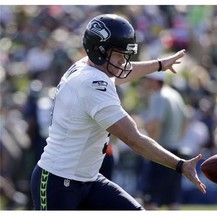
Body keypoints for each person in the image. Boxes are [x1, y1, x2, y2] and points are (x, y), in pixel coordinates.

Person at [30, 13, 206, 210]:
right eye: (119, 55)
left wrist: (159, 65)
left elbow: (123, 71)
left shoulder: (87, 67)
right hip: (58, 181)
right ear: (100, 51)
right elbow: (134, 139)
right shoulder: (93, 85)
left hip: (88, 179)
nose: (123, 61)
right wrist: (180, 165)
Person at [140, 71, 190, 210]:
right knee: (172, 200)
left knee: (150, 200)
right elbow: (185, 123)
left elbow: (156, 124)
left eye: (149, 79)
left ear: (155, 81)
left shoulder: (158, 97)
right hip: (176, 151)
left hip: (161, 152)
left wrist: (149, 148)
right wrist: (177, 139)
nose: (146, 82)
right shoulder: (176, 95)